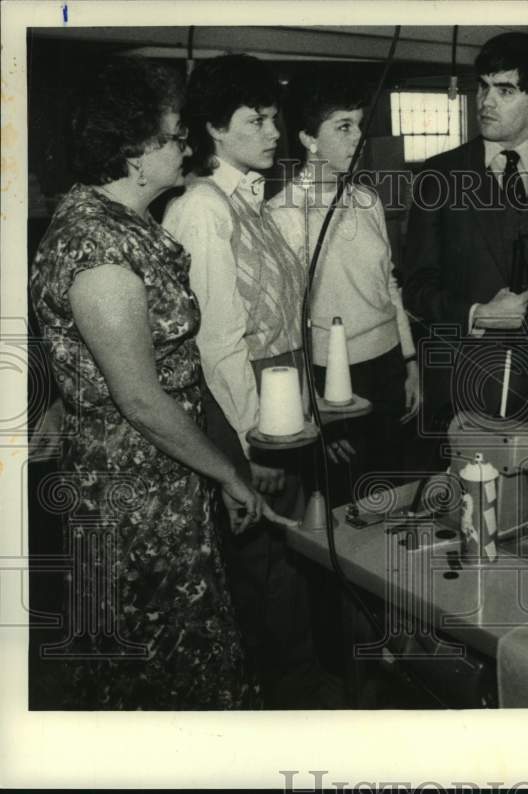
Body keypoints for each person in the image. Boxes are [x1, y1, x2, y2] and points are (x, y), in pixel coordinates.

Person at [29, 58, 286, 708]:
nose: (186, 147)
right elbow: (140, 399)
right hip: (134, 501)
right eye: (173, 136)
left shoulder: (130, 224)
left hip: (169, 482)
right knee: (155, 672)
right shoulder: (97, 246)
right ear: (136, 153)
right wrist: (229, 472)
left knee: (191, 658)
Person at [162, 54, 321, 706]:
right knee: (259, 574)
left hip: (277, 401)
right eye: (256, 118)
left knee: (283, 565)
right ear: (214, 129)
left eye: (273, 116)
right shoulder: (202, 210)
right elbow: (219, 344)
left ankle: (291, 694)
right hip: (242, 415)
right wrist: (261, 441)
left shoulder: (248, 202)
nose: (273, 130)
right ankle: (266, 712)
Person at [401, 31, 528, 434]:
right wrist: (477, 314)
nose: (486, 102)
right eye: (483, 87)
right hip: (462, 384)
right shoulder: (440, 175)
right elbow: (416, 286)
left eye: (505, 90)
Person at [269, 78, 420, 495]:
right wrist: (313, 407)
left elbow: (390, 286)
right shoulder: (282, 214)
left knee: (394, 489)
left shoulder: (368, 201)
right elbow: (283, 324)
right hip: (331, 378)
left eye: (358, 125)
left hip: (388, 364)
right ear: (307, 138)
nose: (358, 137)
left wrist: (410, 362)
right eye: (343, 126)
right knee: (345, 499)